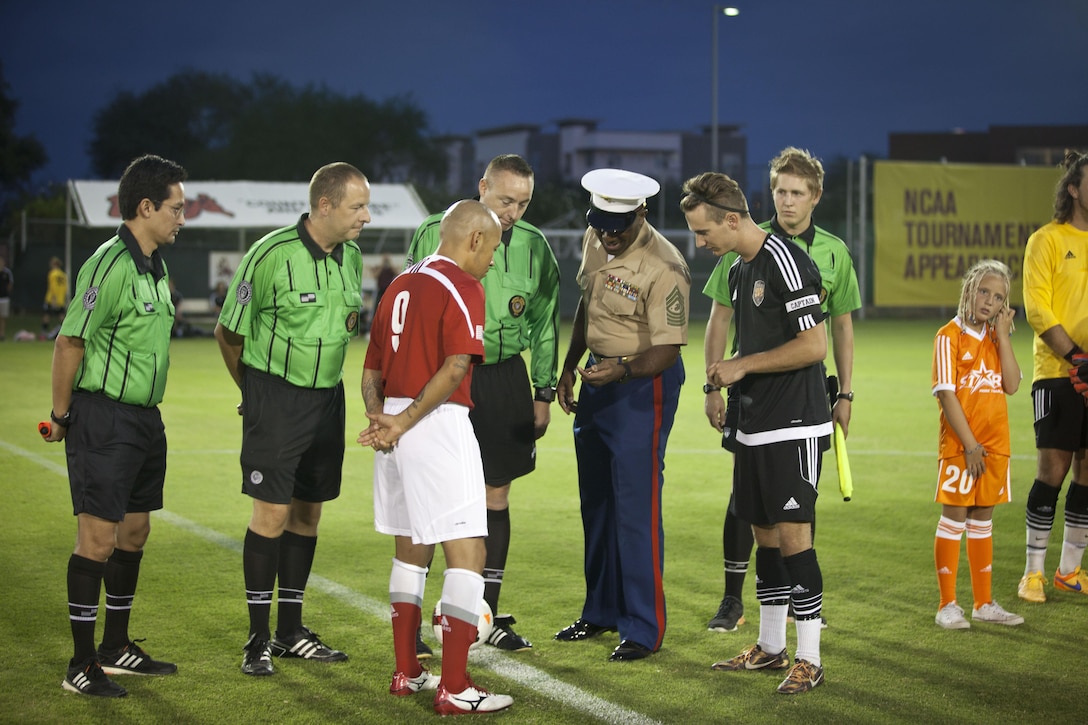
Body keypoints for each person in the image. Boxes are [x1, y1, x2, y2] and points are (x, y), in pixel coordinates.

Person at [360, 200, 513, 715]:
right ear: (473, 240)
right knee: (469, 552)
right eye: (492, 247)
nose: (493, 258)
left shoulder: (400, 283)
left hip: (397, 424)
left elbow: (371, 370)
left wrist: (382, 420)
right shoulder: (464, 286)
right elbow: (455, 367)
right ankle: (455, 686)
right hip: (435, 421)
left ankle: (407, 673)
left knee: (410, 550)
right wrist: (403, 423)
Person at [215, 162, 368, 676]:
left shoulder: (352, 258)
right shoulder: (269, 254)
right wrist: (255, 394)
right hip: (277, 400)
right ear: (324, 205)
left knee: (308, 514)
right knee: (271, 517)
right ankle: (257, 640)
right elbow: (229, 333)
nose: (365, 217)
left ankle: (290, 632)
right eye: (357, 207)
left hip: (328, 400)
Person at [681, 171, 831, 694]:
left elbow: (816, 346)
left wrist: (742, 365)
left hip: (795, 423)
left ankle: (810, 657)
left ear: (731, 218)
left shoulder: (785, 260)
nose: (701, 244)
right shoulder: (739, 267)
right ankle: (770, 647)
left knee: (794, 538)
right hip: (755, 423)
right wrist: (721, 383)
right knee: (764, 533)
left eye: (704, 233)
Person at [404, 154, 560, 653]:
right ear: (482, 188)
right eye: (505, 199)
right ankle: (411, 625)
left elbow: (544, 321)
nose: (513, 211)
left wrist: (542, 390)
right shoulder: (435, 230)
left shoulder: (535, 247)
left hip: (503, 378)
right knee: (431, 499)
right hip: (445, 377)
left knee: (496, 496)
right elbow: (410, 302)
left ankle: (481, 616)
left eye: (523, 202)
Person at [44, 154, 187, 697]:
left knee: (134, 531)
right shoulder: (108, 264)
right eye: (175, 208)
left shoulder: (156, 264)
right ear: (145, 207)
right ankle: (80, 665)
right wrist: (61, 418)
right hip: (103, 417)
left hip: (145, 419)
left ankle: (115, 646)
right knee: (97, 538)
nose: (181, 217)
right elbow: (69, 341)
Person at [702, 147, 861, 633]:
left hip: (797, 403)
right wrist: (715, 380)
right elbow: (718, 317)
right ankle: (738, 605)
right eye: (780, 191)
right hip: (752, 403)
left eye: (796, 193)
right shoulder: (743, 249)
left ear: (815, 197)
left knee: (794, 516)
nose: (787, 201)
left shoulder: (829, 252)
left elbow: (836, 331)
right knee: (750, 508)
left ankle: (805, 632)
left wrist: (846, 394)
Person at [553, 168, 689, 662]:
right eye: (602, 223)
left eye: (619, 226)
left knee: (635, 508)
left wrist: (623, 369)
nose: (609, 235)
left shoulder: (665, 265)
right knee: (598, 504)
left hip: (641, 386)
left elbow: (669, 350)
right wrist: (569, 366)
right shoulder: (595, 239)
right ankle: (601, 611)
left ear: (642, 213)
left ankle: (643, 627)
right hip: (597, 376)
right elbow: (588, 309)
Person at [932, 260, 1024, 629]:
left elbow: (1013, 384)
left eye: (997, 296)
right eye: (984, 291)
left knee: (983, 518)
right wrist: (969, 444)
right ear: (969, 289)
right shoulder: (947, 336)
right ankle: (947, 604)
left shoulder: (993, 338)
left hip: (995, 444)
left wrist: (1002, 335)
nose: (988, 301)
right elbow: (946, 393)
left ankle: (984, 603)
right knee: (954, 517)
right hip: (961, 445)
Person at [1018, 149, 1088, 603]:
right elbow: (1037, 308)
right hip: (1060, 372)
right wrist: (1078, 357)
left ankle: (1070, 570)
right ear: (1074, 189)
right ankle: (1033, 573)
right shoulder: (1046, 239)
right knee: (1053, 469)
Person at [42, 255, 69, 337]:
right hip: (61, 300)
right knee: (61, 316)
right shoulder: (63, 275)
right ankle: (67, 332)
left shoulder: (52, 274)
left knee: (47, 315)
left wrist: (54, 299)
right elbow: (65, 288)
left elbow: (53, 287)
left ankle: (43, 332)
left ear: (54, 264)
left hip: (51, 299)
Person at [0, 255, 12, 341]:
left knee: (3, 317)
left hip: (4, 298)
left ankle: (2, 335)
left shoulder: (7, 272)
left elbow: (10, 284)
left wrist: (7, 292)